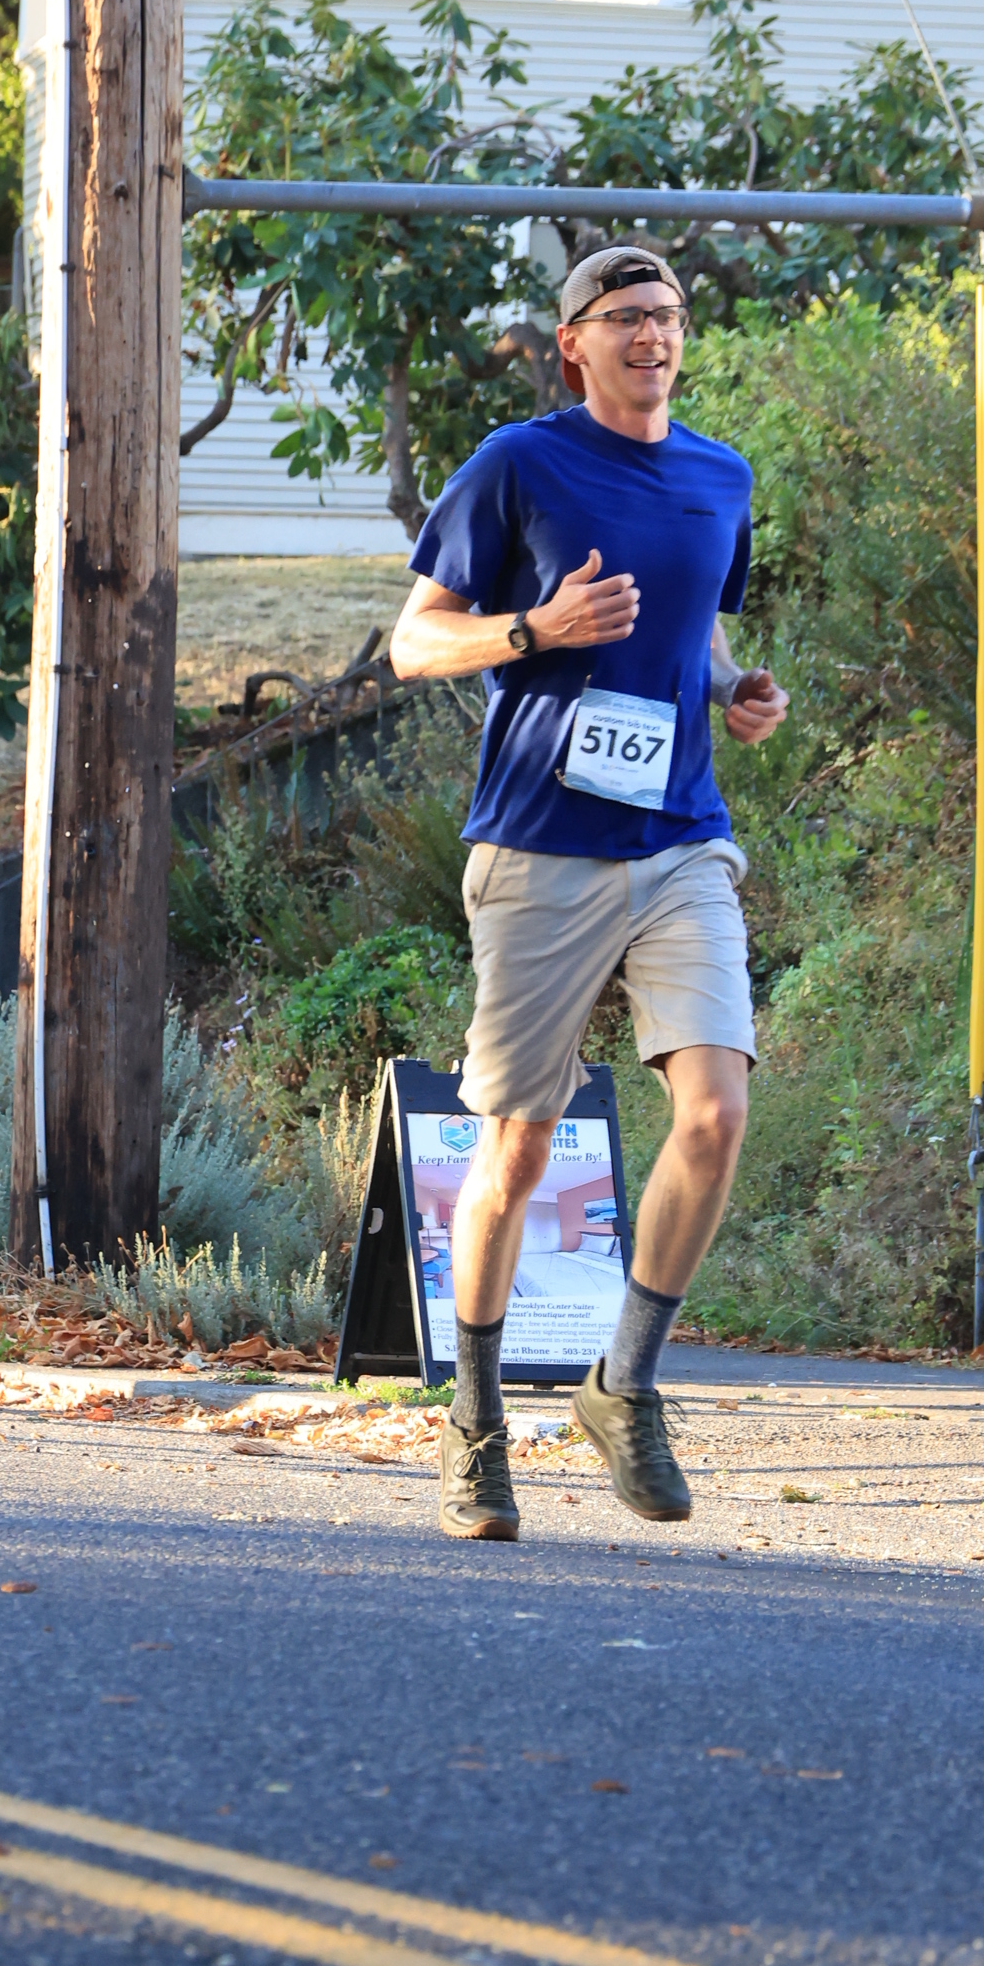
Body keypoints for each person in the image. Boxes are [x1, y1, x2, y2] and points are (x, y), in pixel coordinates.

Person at [388, 243, 789, 1542]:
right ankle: (474, 1425)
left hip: (681, 840)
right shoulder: (519, 464)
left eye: (667, 316)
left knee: (716, 1111)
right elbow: (413, 640)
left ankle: (625, 1386)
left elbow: (697, 627)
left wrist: (734, 691)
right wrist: (534, 631)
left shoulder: (721, 475)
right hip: (544, 851)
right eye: (624, 318)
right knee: (513, 1149)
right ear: (574, 342)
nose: (651, 335)